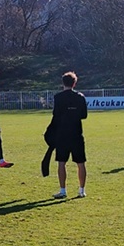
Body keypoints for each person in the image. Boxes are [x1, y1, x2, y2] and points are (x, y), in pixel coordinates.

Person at [47, 71, 88, 199]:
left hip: (62, 134)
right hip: (76, 133)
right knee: (80, 163)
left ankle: (63, 190)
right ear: (74, 83)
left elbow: (56, 115)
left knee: (61, 163)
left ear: (63, 83)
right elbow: (84, 115)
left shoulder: (58, 97)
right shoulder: (80, 97)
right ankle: (81, 190)